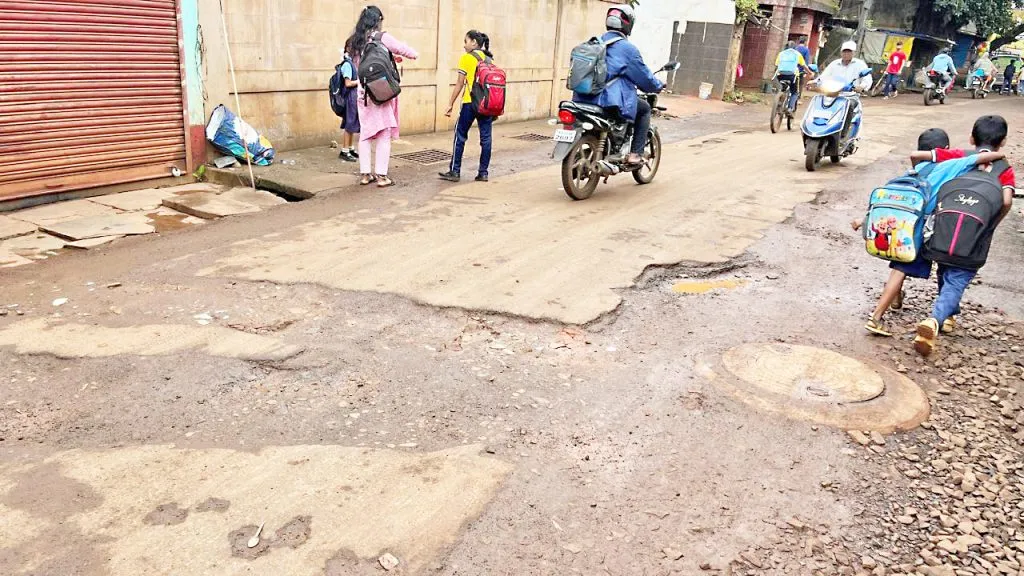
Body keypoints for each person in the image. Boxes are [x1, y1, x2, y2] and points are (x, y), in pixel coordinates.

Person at [852, 128, 1006, 337]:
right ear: (944, 149)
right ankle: (876, 317)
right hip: (922, 230)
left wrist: (862, 220)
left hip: (898, 229)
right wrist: (1000, 155)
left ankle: (895, 298)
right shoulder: (950, 165)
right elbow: (986, 156)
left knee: (900, 266)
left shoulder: (911, 173)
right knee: (915, 267)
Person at [913, 115, 1016, 356]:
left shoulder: (961, 156)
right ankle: (935, 319)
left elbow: (920, 157)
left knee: (946, 267)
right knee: (958, 277)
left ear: (972, 137)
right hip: (974, 234)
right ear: (1002, 142)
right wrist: (992, 223)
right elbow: (1006, 201)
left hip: (945, 228)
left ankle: (950, 314)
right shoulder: (1004, 168)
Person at [573, 4, 665, 166]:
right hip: (609, 101)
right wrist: (658, 86)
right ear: (628, 25)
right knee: (644, 109)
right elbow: (644, 78)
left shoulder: (593, 42)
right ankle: (635, 154)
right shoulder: (627, 50)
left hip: (581, 98)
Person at [348, 5, 419, 188]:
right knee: (384, 133)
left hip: (363, 93)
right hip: (381, 91)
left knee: (365, 134)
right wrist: (414, 54)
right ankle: (381, 176)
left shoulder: (354, 42)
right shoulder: (382, 37)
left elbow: (359, 67)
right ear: (378, 20)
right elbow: (403, 49)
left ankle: (365, 175)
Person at [439, 30, 495, 183]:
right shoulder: (489, 59)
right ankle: (483, 173)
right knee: (486, 138)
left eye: (466, 41)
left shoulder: (466, 58)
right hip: (486, 104)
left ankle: (455, 171)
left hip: (470, 102)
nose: (464, 45)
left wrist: (450, 103)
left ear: (474, 43)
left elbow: (459, 84)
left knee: (460, 135)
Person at [338, 39, 360, 163]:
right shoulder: (347, 64)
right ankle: (344, 151)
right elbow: (347, 83)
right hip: (351, 96)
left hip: (354, 96)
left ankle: (350, 148)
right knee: (349, 124)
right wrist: (360, 82)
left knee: (352, 123)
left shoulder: (352, 63)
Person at [775, 41, 809, 114]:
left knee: (783, 88)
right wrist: (810, 72)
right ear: (795, 47)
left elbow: (777, 64)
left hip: (780, 75)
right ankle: (790, 108)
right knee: (795, 92)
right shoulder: (797, 54)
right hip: (792, 75)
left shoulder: (781, 54)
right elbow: (804, 65)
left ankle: (780, 101)